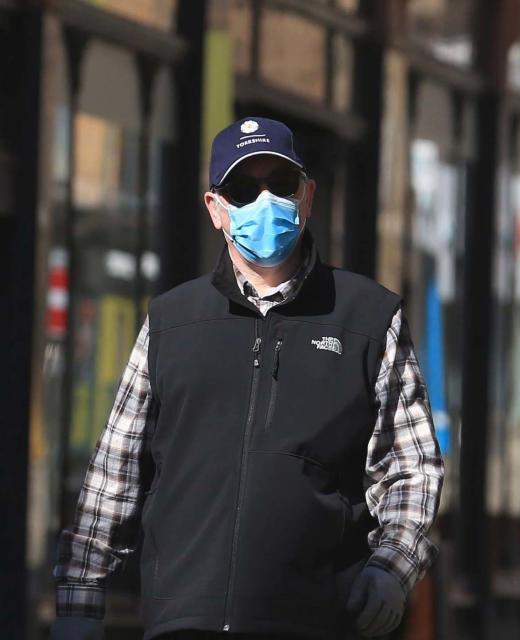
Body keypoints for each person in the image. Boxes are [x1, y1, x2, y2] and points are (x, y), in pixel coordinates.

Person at [51, 117, 444, 640]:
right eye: (242, 188)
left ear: (307, 196)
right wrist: (79, 603)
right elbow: (114, 472)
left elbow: (413, 468)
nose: (264, 202)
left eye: (279, 185)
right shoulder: (173, 320)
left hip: (315, 620)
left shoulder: (367, 318)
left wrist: (392, 568)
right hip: (183, 621)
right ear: (215, 209)